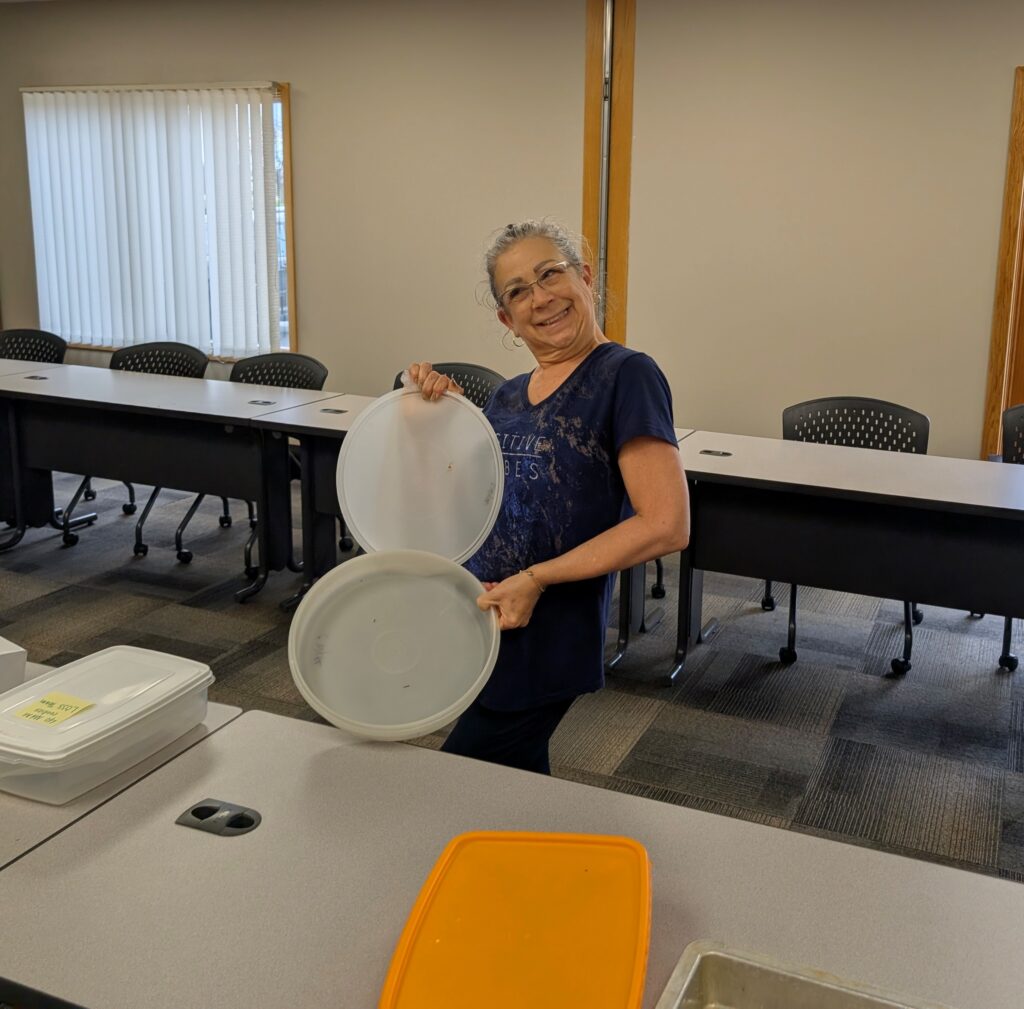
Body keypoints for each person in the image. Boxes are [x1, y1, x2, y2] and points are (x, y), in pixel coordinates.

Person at [407, 219, 689, 774]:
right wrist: (441, 423)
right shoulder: (508, 395)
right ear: (506, 319)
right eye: (517, 291)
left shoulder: (625, 376)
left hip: (548, 633)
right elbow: (472, 506)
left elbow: (666, 524)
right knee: (513, 782)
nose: (540, 298)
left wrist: (536, 579)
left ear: (584, 278)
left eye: (549, 274)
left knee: (456, 779)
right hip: (487, 618)